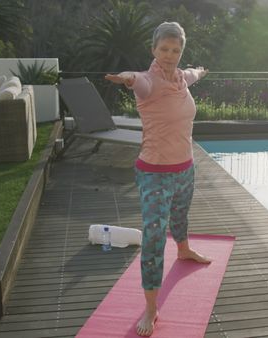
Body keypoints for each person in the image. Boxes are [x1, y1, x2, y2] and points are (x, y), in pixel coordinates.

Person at [105, 21, 211, 337]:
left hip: (186, 167)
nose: (169, 55)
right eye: (164, 49)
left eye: (175, 50)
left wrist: (200, 71)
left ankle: (184, 249)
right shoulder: (148, 82)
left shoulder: (181, 78)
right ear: (153, 49)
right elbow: (137, 80)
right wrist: (128, 78)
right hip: (154, 173)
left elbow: (192, 73)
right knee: (153, 238)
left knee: (180, 214)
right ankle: (151, 309)